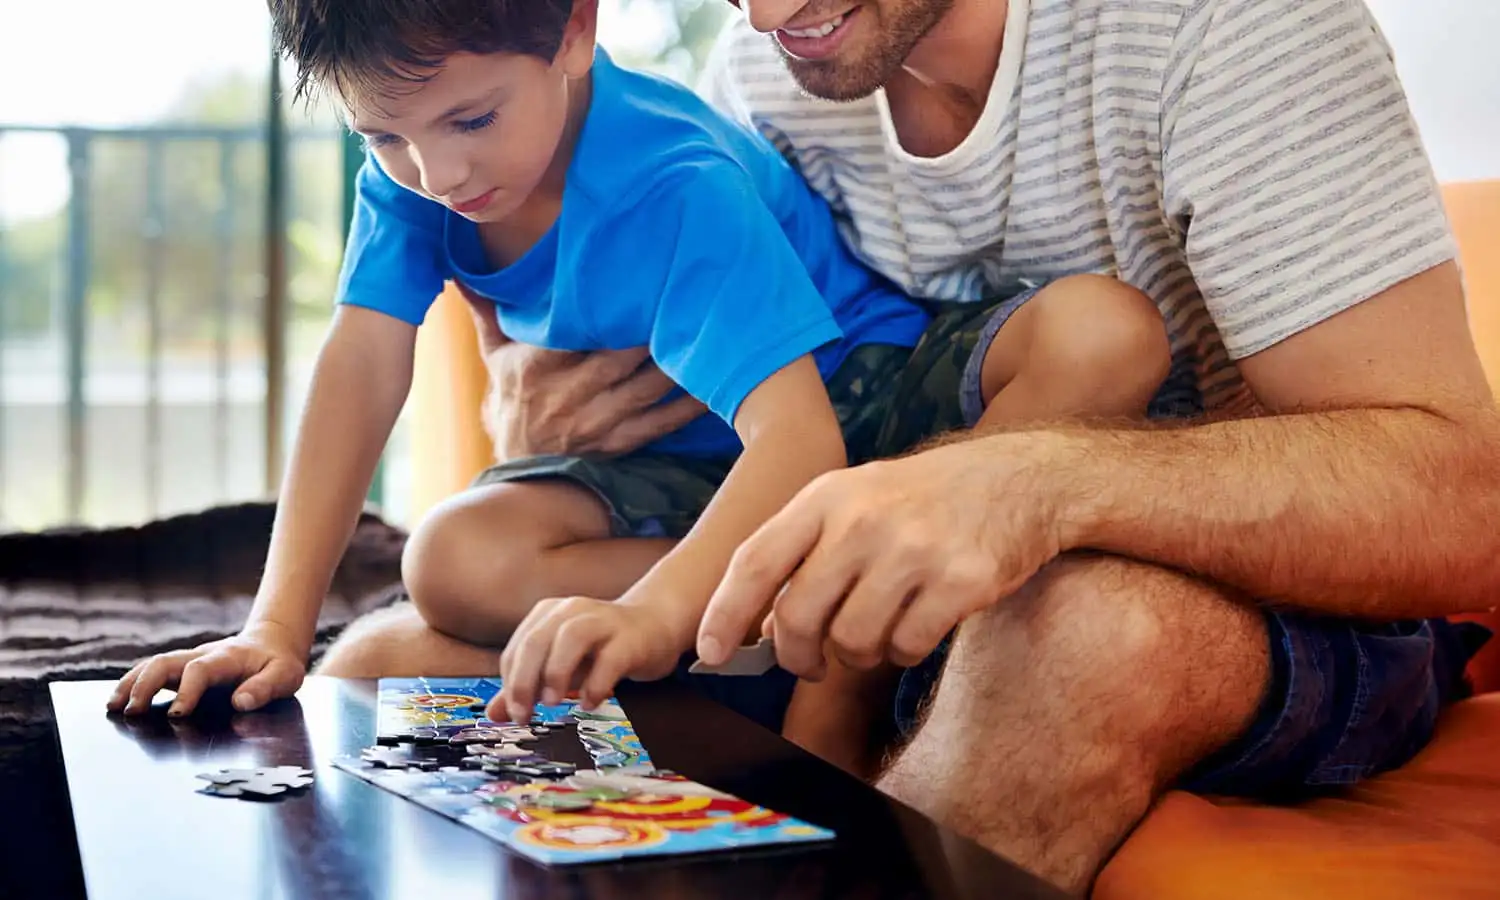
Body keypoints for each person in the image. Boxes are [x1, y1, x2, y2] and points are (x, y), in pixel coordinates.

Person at [364, 0, 1497, 893]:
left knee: (1079, 632)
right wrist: (545, 418)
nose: (762, 13)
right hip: (869, 601)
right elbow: (754, 398)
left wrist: (1037, 484)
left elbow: (1463, 505)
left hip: (1251, 601)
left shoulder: (1223, 27)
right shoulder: (777, 71)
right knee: (391, 659)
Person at [105, 0, 1172, 776]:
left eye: (471, 122)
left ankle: (827, 654)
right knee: (449, 558)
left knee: (1105, 332)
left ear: (575, 29)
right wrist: (277, 629)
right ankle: (764, 620)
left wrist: (657, 617)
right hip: (695, 453)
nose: (439, 175)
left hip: (869, 406)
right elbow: (362, 362)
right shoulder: (420, 165)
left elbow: (801, 446)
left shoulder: (674, 177)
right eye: (382, 136)